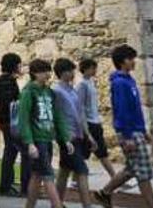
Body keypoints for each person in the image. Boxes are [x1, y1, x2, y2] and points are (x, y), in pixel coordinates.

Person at [94, 45, 153, 208]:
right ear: (123, 62)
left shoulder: (129, 80)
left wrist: (143, 131)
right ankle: (152, 205)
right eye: (131, 59)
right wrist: (127, 136)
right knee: (143, 172)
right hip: (130, 133)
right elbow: (122, 110)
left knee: (132, 169)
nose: (134, 62)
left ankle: (104, 193)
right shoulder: (120, 83)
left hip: (136, 131)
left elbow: (135, 109)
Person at [18, 59, 71, 208]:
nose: (48, 74)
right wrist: (29, 143)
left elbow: (58, 116)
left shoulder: (49, 93)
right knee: (48, 175)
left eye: (48, 71)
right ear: (35, 73)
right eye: (44, 71)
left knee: (37, 175)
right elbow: (24, 119)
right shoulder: (28, 92)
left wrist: (65, 138)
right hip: (37, 140)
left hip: (47, 138)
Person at [52, 58, 93, 208]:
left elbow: (80, 113)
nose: (73, 73)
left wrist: (88, 134)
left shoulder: (72, 90)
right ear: (62, 73)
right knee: (82, 171)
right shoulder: (57, 91)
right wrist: (62, 136)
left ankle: (57, 203)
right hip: (67, 136)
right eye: (70, 70)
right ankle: (87, 205)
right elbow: (56, 115)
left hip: (78, 135)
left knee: (64, 170)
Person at [0, 52, 29, 197]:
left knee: (10, 152)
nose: (20, 67)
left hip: (5, 121)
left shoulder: (3, 80)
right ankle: (23, 187)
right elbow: (10, 103)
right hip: (10, 122)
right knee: (21, 152)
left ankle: (6, 184)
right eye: (18, 65)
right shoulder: (8, 81)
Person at [75, 59, 116, 180]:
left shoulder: (91, 82)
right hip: (89, 123)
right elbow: (80, 106)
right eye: (93, 68)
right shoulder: (82, 85)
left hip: (95, 121)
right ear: (87, 69)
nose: (95, 71)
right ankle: (114, 178)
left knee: (88, 153)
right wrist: (84, 127)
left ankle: (75, 179)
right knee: (98, 152)